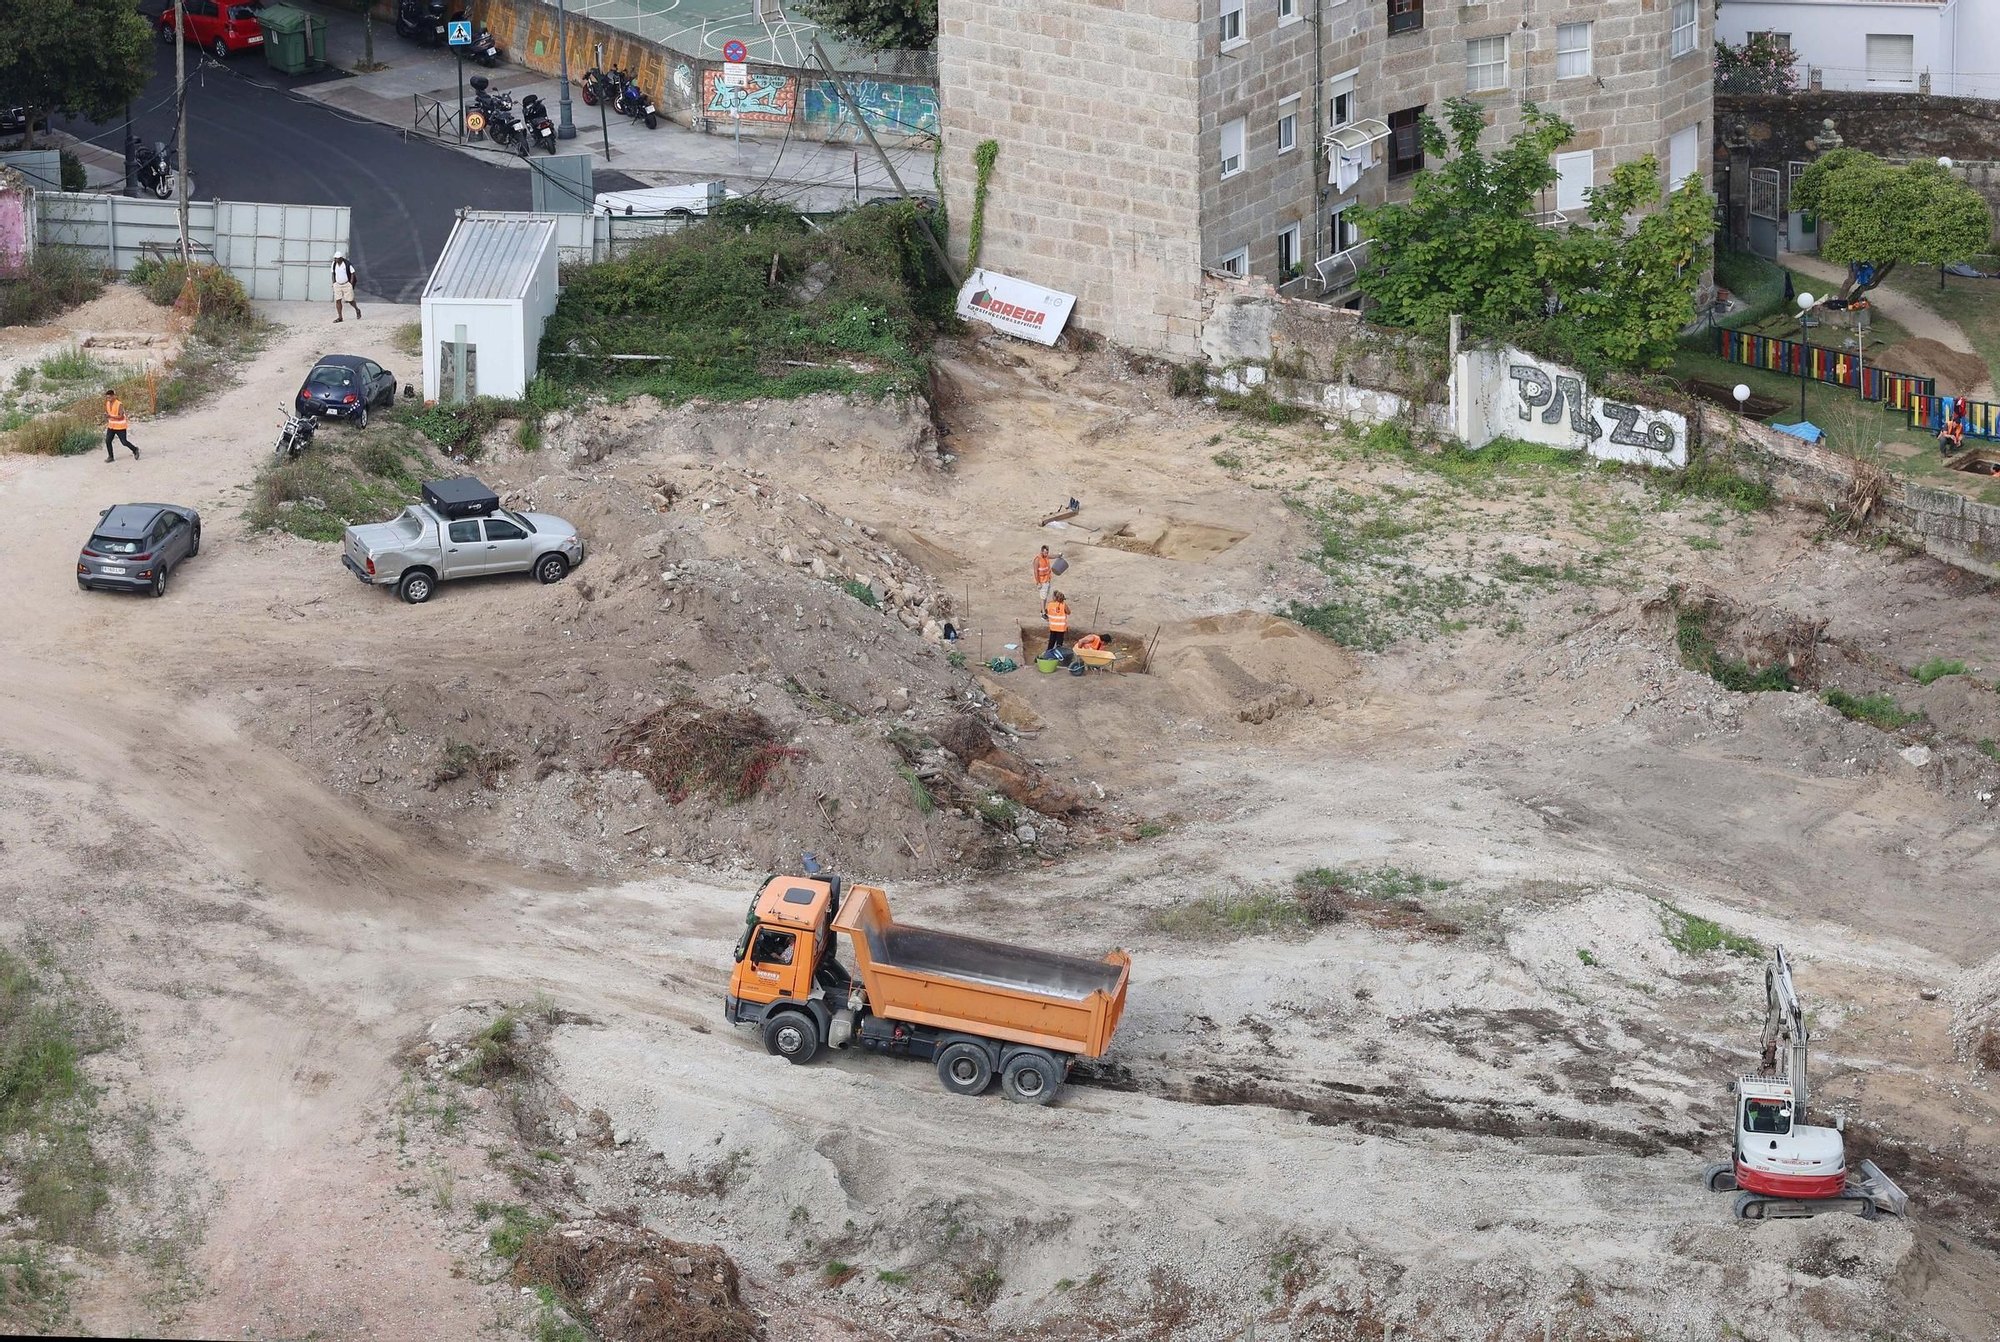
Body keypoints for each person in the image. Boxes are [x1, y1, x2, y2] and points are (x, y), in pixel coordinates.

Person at [102, 388, 139, 462]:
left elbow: (120, 416)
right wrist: (107, 415)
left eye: (109, 397)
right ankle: (110, 456)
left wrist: (110, 416)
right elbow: (110, 413)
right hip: (111, 426)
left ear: (114, 396)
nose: (108, 399)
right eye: (107, 397)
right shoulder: (108, 403)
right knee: (108, 441)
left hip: (120, 426)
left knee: (124, 442)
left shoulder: (119, 404)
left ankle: (135, 449)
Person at [331, 250, 361, 323]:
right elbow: (333, 273)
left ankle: (357, 309)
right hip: (338, 284)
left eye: (337, 258)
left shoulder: (347, 264)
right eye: (335, 258)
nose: (336, 260)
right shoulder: (334, 264)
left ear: (341, 258)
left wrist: (350, 283)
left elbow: (352, 273)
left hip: (346, 284)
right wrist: (334, 282)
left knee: (350, 300)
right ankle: (340, 317)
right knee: (338, 300)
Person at [1044, 590, 1070, 658]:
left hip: (1053, 627)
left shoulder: (1050, 604)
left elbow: (1046, 612)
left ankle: (1047, 655)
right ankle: (1058, 656)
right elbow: (1069, 612)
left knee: (1051, 643)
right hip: (1061, 628)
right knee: (1059, 644)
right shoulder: (1063, 605)